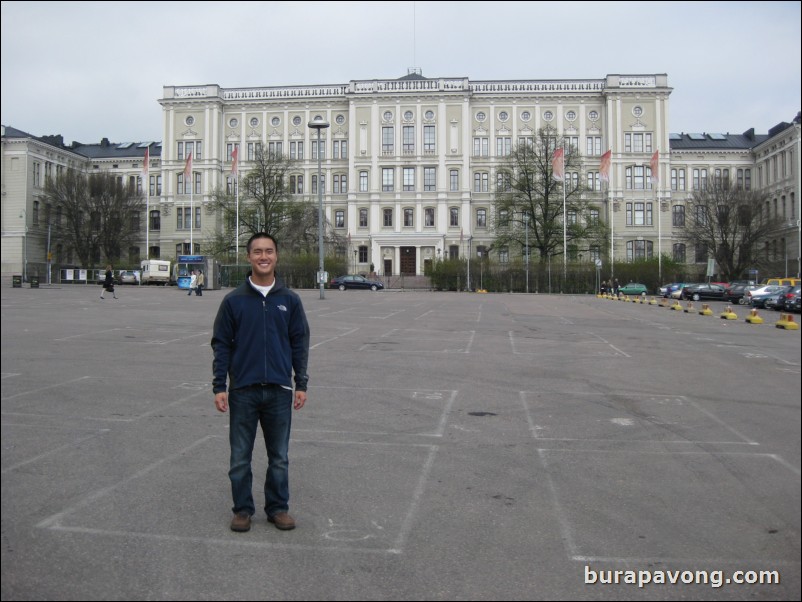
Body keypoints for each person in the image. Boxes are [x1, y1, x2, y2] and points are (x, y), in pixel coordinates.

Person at [212, 232, 310, 533]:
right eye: (257, 251)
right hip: (243, 390)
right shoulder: (234, 301)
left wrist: (301, 382)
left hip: (279, 391)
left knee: (279, 458)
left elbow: (299, 342)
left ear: (276, 256)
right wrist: (220, 386)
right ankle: (242, 510)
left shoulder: (289, 300)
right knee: (239, 458)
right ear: (249, 257)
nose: (263, 256)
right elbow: (221, 344)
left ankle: (278, 508)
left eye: (269, 251)